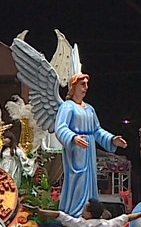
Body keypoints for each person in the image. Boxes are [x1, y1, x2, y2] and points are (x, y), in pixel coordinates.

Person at [54, 74, 128, 217]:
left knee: (90, 183)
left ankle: (91, 212)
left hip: (89, 151)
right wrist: (73, 137)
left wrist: (112, 139)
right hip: (76, 151)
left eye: (87, 84)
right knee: (78, 182)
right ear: (73, 87)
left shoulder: (89, 109)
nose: (86, 88)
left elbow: (97, 131)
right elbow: (60, 127)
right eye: (83, 84)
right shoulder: (67, 107)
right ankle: (75, 213)